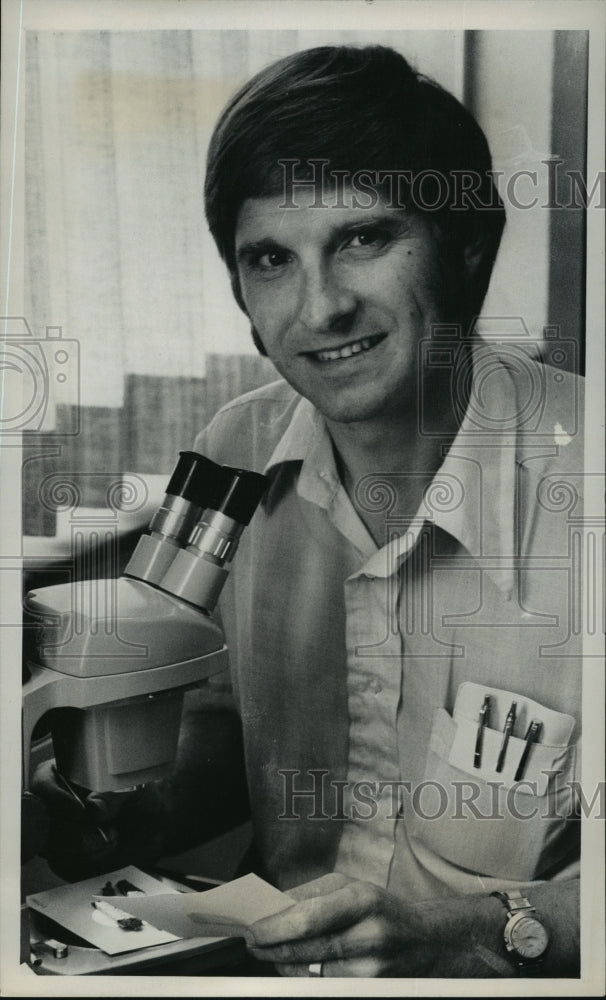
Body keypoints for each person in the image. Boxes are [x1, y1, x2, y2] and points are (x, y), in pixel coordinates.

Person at [32, 45, 583, 977]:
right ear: (242, 295)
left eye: (364, 238)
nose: (319, 307)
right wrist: (121, 808)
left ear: (467, 245)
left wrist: (468, 927)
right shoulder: (236, 449)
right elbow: (221, 725)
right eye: (272, 259)